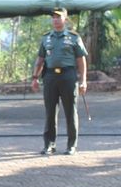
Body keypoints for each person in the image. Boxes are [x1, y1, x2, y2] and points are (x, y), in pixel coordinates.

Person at [31, 8, 88, 156]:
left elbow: (81, 61)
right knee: (50, 111)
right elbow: (40, 59)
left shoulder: (74, 37)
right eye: (53, 17)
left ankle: (71, 145)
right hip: (50, 76)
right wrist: (35, 77)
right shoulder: (46, 38)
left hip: (68, 75)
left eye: (58, 17)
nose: (55, 20)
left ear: (65, 20)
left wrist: (83, 80)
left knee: (70, 111)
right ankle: (49, 144)